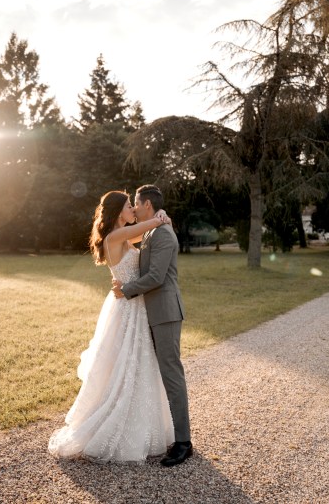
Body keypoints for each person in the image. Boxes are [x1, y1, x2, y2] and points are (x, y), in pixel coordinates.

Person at [48, 190, 174, 463]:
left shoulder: (126, 237)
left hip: (133, 303)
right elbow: (151, 225)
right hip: (126, 308)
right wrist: (160, 216)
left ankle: (142, 425)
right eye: (130, 206)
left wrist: (160, 220)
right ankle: (113, 425)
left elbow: (147, 233)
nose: (133, 209)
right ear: (119, 211)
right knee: (125, 364)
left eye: (134, 205)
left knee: (139, 364)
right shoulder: (114, 237)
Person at [112, 185, 192, 467]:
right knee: (162, 373)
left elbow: (157, 276)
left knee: (172, 373)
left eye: (135, 203)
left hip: (166, 312)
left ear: (146, 204)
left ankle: (184, 442)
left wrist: (127, 289)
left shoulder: (163, 235)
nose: (133, 208)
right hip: (153, 312)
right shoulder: (151, 230)